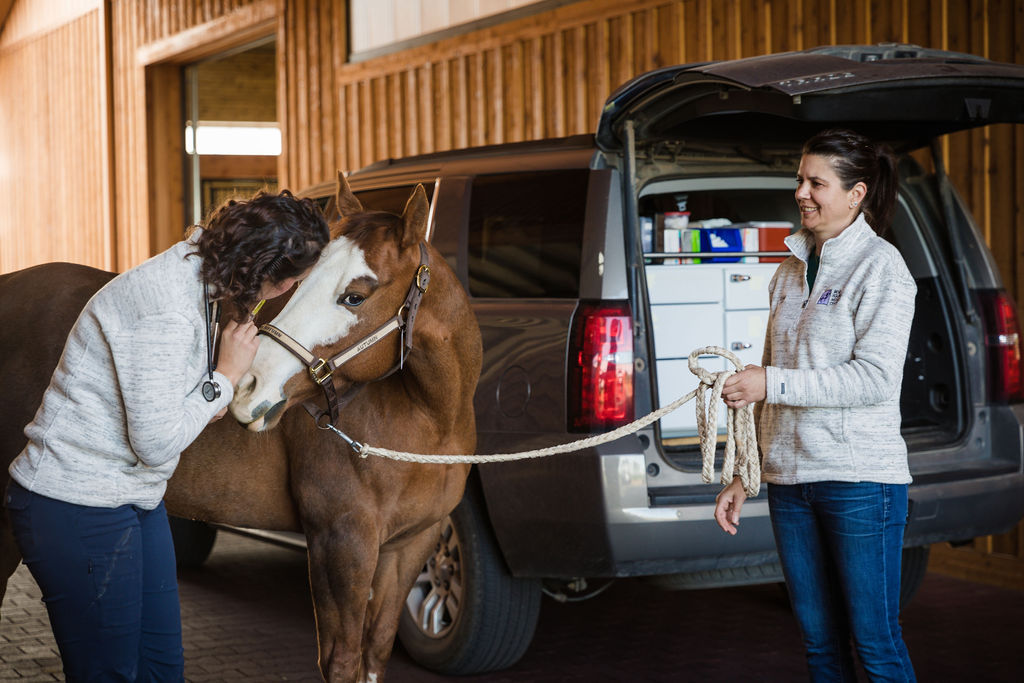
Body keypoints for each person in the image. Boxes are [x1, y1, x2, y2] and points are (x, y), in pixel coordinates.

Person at [5, 190, 330, 681]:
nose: (289, 293)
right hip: (78, 501)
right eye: (295, 283)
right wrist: (222, 379)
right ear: (270, 273)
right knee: (109, 673)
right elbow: (155, 442)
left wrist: (203, 395)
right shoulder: (167, 307)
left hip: (135, 495)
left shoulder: (203, 275)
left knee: (161, 668)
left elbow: (163, 400)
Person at [714, 129, 918, 682]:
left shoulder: (882, 268)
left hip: (858, 482)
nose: (802, 191)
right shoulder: (788, 270)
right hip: (789, 481)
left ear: (856, 194)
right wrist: (743, 473)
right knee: (819, 644)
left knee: (875, 643)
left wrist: (770, 383)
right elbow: (766, 372)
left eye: (816, 182)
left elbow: (873, 379)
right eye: (800, 179)